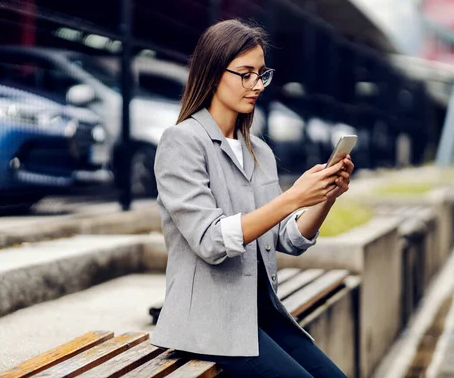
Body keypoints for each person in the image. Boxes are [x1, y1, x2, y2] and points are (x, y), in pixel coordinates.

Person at [151, 19, 353, 378]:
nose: (257, 85)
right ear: (213, 73)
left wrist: (326, 197)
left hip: (258, 316)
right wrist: (292, 198)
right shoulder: (181, 142)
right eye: (245, 74)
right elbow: (211, 240)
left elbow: (286, 239)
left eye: (261, 74)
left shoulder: (257, 149)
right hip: (209, 322)